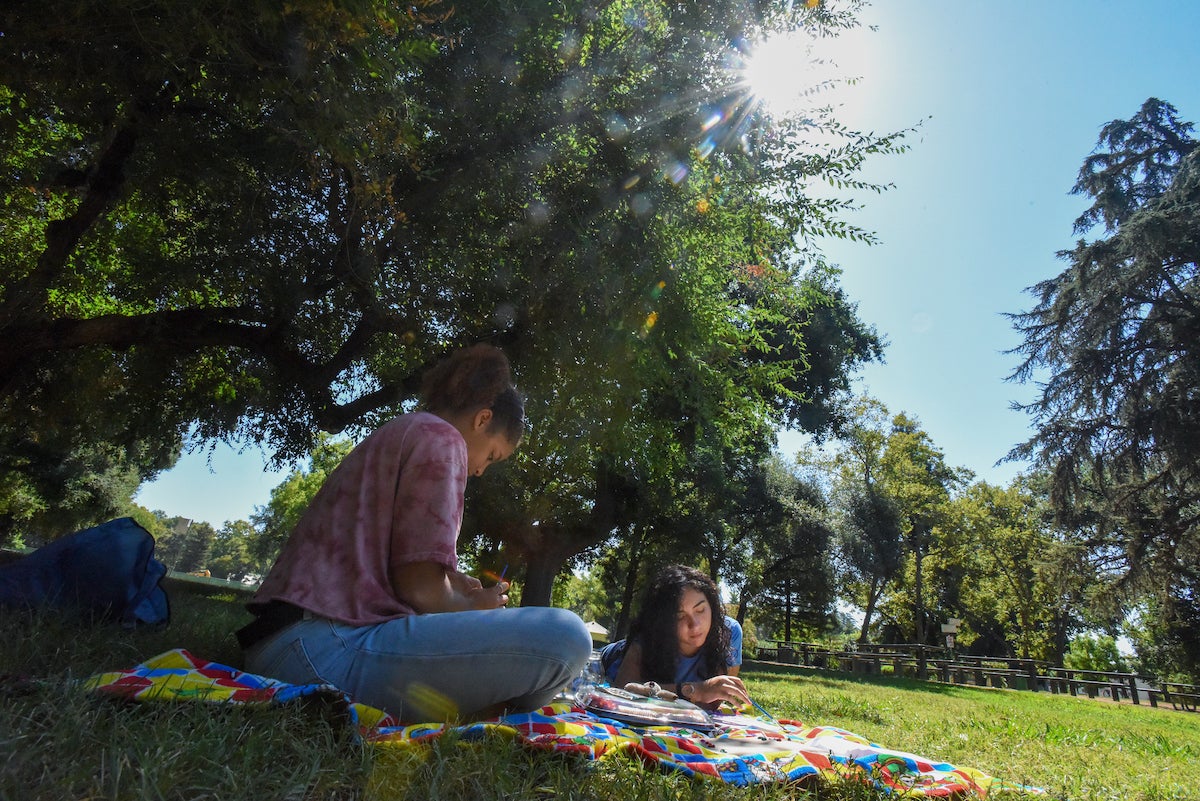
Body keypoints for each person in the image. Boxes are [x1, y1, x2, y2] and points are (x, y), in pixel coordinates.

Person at [237, 344, 592, 722]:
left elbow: (396, 574)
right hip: (318, 649)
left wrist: (454, 587)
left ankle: (482, 707)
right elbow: (419, 588)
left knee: (540, 661)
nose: (481, 471)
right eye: (491, 456)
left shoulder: (408, 429)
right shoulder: (443, 440)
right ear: (482, 419)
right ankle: (486, 709)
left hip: (290, 640)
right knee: (567, 637)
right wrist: (474, 609)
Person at [599, 564, 751, 710]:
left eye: (700, 610)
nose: (695, 625)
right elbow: (624, 692)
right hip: (599, 664)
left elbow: (712, 703)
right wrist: (695, 690)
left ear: (712, 606)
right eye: (679, 616)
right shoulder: (649, 635)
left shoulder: (729, 632)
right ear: (664, 621)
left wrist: (700, 692)